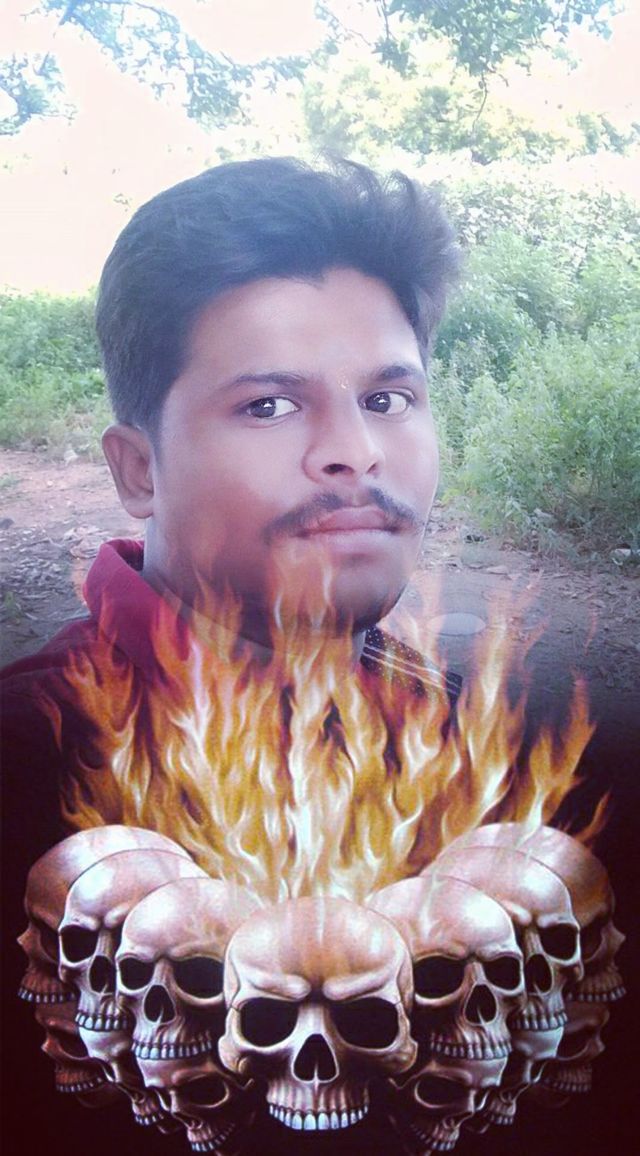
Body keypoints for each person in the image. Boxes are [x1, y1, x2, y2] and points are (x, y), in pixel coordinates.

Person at [1, 156, 461, 1156]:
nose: (355, 452)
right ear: (138, 469)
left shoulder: (458, 723)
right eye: (268, 406)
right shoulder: (29, 764)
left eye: (389, 399)